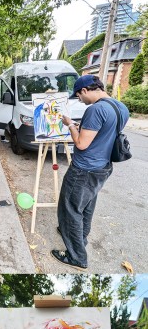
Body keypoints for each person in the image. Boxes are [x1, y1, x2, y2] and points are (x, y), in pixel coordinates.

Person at [54, 75, 130, 270]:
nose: (79, 99)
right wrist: (82, 129)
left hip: (84, 169)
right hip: (102, 167)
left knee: (70, 209)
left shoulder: (95, 109)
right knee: (86, 205)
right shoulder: (120, 107)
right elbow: (104, 134)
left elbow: (81, 143)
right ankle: (80, 237)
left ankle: (77, 257)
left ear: (85, 90)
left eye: (79, 95)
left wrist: (70, 125)